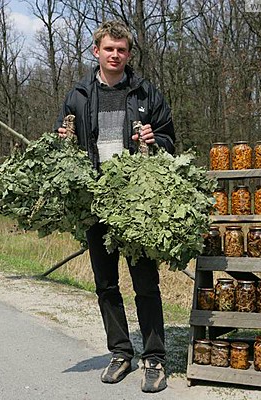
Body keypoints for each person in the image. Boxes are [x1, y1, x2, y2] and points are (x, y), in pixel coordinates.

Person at [54, 20, 175, 393]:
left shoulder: (145, 93)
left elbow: (171, 143)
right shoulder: (78, 96)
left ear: (129, 54)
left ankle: (154, 358)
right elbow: (63, 151)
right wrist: (62, 140)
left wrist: (157, 141)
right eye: (109, 49)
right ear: (97, 52)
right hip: (96, 203)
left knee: (145, 283)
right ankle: (121, 352)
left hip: (135, 203)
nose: (116, 55)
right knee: (106, 285)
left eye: (122, 50)